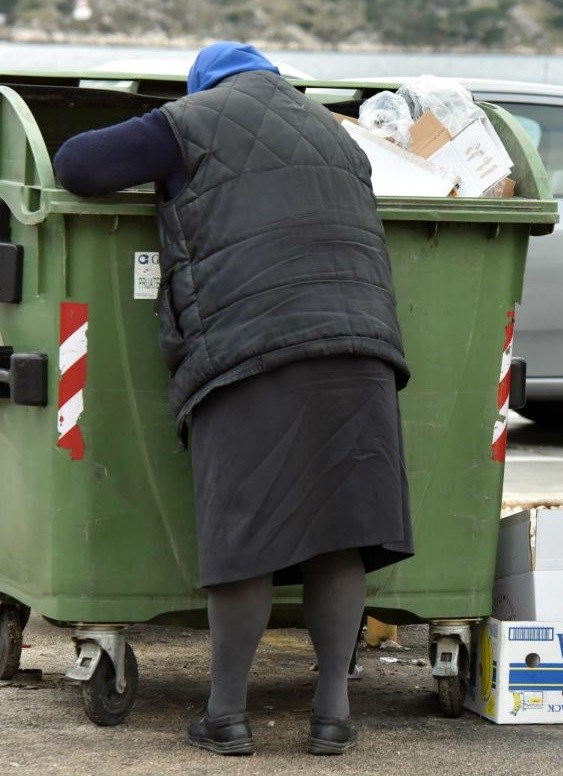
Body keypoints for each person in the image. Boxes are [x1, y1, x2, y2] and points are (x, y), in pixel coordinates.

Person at [53, 41, 414, 757]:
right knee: (339, 534)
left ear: (205, 85)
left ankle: (226, 715)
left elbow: (77, 166)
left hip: (253, 351)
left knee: (245, 534)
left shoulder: (189, 121)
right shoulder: (334, 133)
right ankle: (333, 714)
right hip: (362, 348)